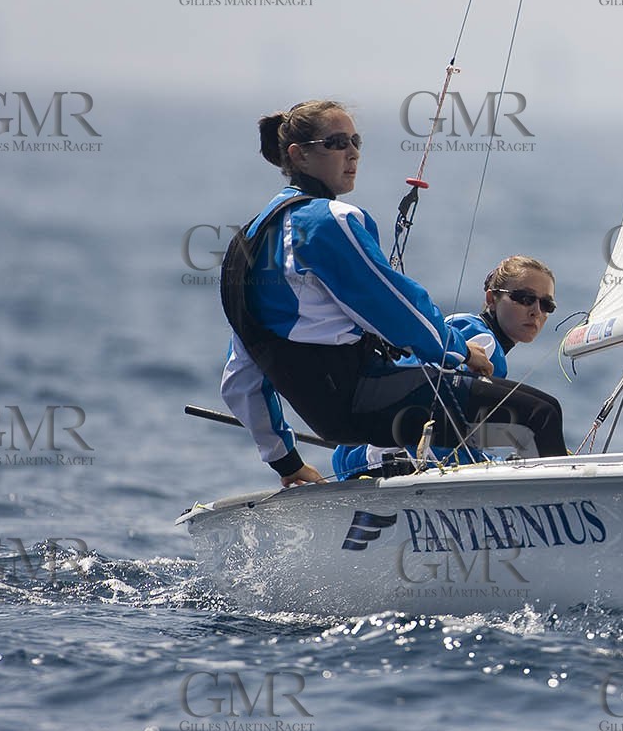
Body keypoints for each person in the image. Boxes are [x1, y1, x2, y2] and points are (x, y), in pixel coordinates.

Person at [220, 100, 567, 486]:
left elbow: (240, 378)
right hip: (372, 402)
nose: (352, 153)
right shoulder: (330, 221)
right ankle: (570, 525)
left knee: (500, 424)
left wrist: (285, 461)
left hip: (336, 419)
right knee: (540, 416)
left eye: (356, 141)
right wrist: (459, 350)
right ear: (298, 156)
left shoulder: (245, 247)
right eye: (335, 142)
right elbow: (396, 307)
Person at [331, 255, 559, 476]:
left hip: (361, 455)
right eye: (525, 298)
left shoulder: (466, 332)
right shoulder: (481, 340)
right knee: (543, 414)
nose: (536, 311)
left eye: (546, 304)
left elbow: (453, 429)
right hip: (375, 461)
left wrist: (492, 463)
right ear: (491, 299)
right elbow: (427, 413)